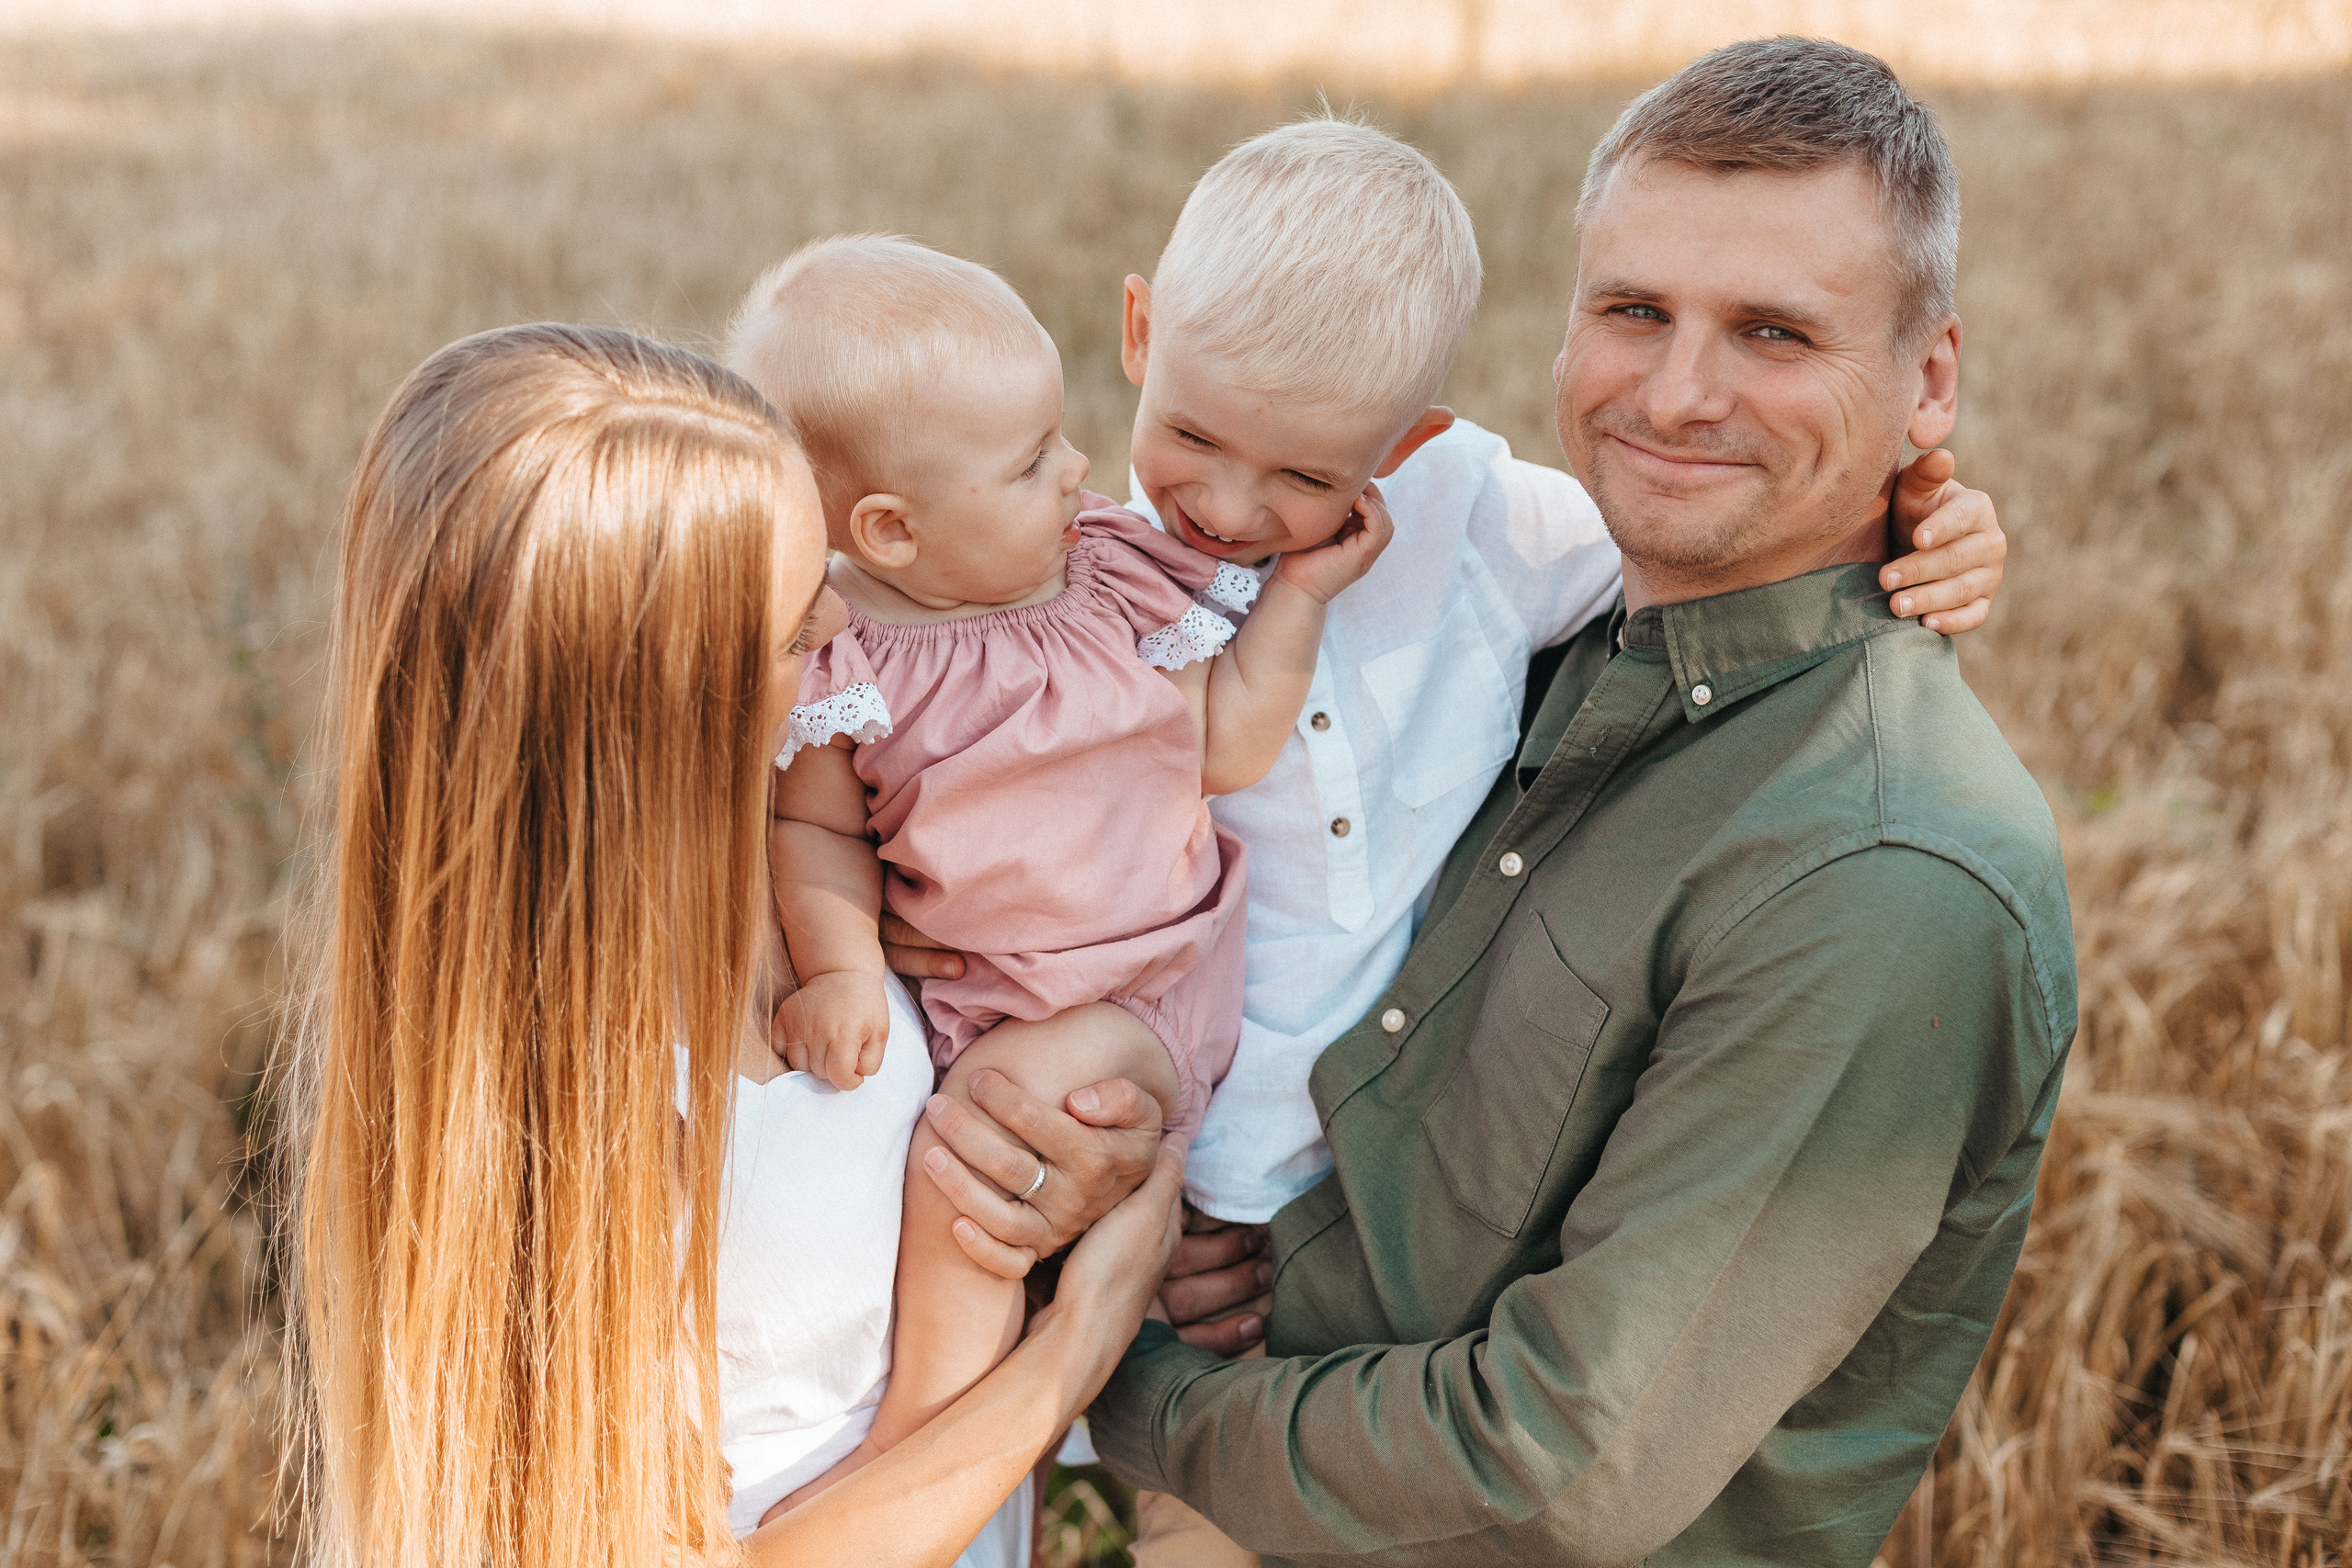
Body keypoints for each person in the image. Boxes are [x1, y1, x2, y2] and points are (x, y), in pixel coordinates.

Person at [889, 112, 2015, 1564]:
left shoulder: (1489, 535)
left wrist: (1928, 520)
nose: (1232, 512)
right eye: (1633, 312)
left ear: (1405, 442)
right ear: (1137, 334)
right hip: (1160, 1184)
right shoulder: (1083, 573)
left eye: (1774, 333)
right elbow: (896, 671)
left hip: (1297, 1323)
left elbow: (1725, 546)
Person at [281, 321, 1184, 1568]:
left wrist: (1086, 1161)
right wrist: (1073, 1346)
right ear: (641, 714)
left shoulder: (822, 824)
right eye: (787, 628)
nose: (841, 620)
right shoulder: (553, 1092)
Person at [719, 236, 1392, 1506]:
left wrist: (1300, 596)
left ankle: (923, 1429)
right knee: (946, 1144)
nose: (1081, 470)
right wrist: (846, 972)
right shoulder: (843, 656)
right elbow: (813, 835)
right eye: (1032, 461)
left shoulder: (1107, 577)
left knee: (978, 1145)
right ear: (889, 529)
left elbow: (1224, 743)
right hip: (976, 994)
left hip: (1131, 995)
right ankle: (954, 1440)